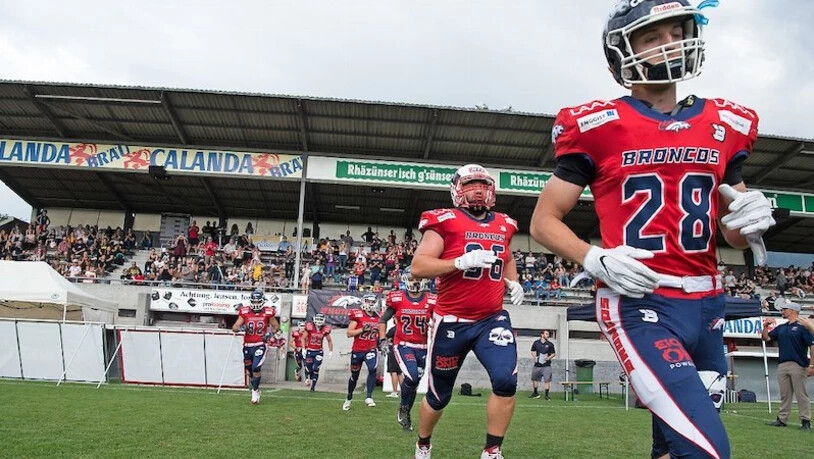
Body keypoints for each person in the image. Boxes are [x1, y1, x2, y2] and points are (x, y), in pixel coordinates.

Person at [529, 2, 776, 457]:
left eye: (677, 31)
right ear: (623, 52)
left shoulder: (723, 123)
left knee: (669, 446)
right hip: (640, 300)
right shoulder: (599, 126)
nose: (671, 43)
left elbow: (733, 232)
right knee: (706, 449)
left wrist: (750, 223)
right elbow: (543, 221)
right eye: (653, 37)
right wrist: (592, 256)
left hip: (707, 305)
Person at [411, 164, 524, 459]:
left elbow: (507, 255)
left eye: (484, 184)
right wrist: (459, 262)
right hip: (451, 321)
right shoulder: (444, 221)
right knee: (439, 397)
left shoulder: (505, 223)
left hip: (491, 318)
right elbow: (419, 266)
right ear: (457, 190)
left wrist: (513, 282)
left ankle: (492, 450)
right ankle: (423, 444)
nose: (478, 190)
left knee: (506, 380)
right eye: (471, 184)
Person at [378, 266, 435, 431]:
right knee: (410, 376)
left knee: (414, 383)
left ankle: (406, 414)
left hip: (422, 347)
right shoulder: (397, 298)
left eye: (417, 278)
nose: (415, 282)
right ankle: (403, 407)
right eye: (411, 278)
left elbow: (440, 321)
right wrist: (382, 339)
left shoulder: (431, 300)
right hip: (403, 345)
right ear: (405, 280)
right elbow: (383, 320)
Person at [762, 300, 814, 430]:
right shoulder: (782, 327)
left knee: (801, 393)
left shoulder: (803, 327)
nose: (782, 311)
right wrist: (765, 327)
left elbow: (812, 346)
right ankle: (782, 419)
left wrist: (811, 365)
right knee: (785, 394)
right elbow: (766, 338)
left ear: (792, 311)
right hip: (783, 363)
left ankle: (805, 420)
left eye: (785, 309)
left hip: (798, 364)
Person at [231, 289, 280, 405]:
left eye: (258, 302)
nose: (256, 304)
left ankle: (254, 391)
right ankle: (256, 387)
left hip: (260, 344)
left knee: (256, 367)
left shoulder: (268, 312)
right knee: (250, 371)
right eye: (255, 301)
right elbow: (235, 326)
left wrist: (270, 334)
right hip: (247, 345)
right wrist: (240, 328)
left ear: (262, 301)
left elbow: (276, 326)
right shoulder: (245, 312)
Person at [343, 294, 382, 410]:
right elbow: (349, 333)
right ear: (364, 302)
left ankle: (369, 396)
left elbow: (380, 334)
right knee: (354, 376)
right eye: (368, 301)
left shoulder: (378, 317)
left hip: (371, 348)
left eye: (372, 301)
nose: (370, 304)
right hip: (358, 350)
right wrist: (362, 330)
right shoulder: (358, 315)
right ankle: (349, 397)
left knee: (372, 368)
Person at [302, 313, 333, 392]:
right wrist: (303, 348)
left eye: (320, 319)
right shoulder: (309, 327)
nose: (319, 321)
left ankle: (313, 387)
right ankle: (307, 377)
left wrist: (331, 351)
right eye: (318, 319)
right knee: (309, 368)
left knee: (315, 368)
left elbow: (329, 340)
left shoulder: (325, 329)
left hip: (319, 351)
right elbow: (303, 338)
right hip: (310, 350)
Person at [530, 330, 556, 401]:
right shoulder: (536, 343)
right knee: (534, 379)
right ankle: (535, 393)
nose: (548, 335)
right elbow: (532, 351)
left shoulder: (550, 344)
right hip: (537, 365)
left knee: (547, 380)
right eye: (546, 334)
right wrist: (535, 357)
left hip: (546, 365)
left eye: (548, 334)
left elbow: (553, 353)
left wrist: (549, 358)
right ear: (542, 335)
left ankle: (547, 395)